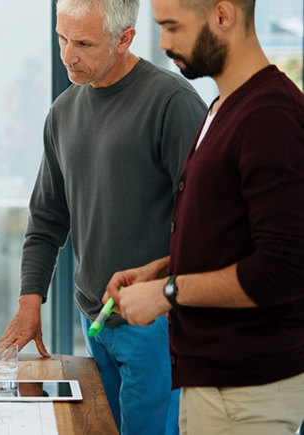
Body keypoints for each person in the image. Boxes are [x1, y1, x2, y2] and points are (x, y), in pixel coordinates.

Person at [0, 0, 207, 433]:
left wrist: (167, 298)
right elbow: (46, 219)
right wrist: (30, 300)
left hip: (155, 323)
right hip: (93, 318)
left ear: (124, 39)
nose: (68, 55)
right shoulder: (63, 112)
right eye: (62, 38)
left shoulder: (172, 103)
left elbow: (208, 220)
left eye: (84, 43)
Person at [108, 0, 304, 433]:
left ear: (222, 15)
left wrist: (168, 292)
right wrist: (160, 269)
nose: (164, 43)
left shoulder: (270, 115)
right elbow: (230, 238)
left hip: (246, 392)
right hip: (216, 386)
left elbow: (284, 267)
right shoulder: (222, 108)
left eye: (173, 27)